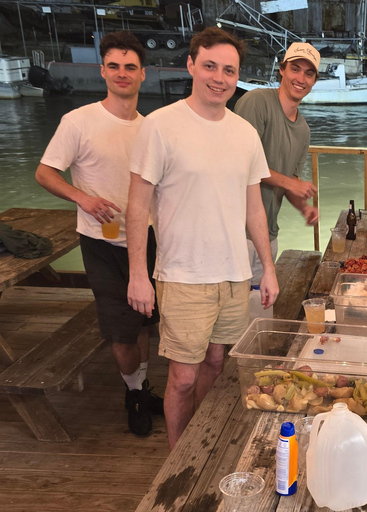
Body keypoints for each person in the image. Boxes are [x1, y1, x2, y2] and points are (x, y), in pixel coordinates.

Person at [126, 27, 279, 450]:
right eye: (210, 66)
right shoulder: (160, 126)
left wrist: (266, 268)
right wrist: (137, 273)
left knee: (216, 361)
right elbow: (137, 206)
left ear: (237, 76)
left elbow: (254, 209)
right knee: (183, 375)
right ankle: (178, 456)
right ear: (191, 64)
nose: (219, 77)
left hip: (233, 274)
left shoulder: (245, 133)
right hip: (182, 274)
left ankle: (199, 438)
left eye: (229, 70)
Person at [35, 31, 162, 437]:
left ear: (143, 74)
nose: (122, 74)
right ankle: (133, 393)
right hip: (102, 241)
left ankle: (142, 386)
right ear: (102, 71)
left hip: (149, 239)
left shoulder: (151, 128)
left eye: (130, 67)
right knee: (121, 330)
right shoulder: (79, 121)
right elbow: (44, 172)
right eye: (114, 66)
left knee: (144, 324)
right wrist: (82, 198)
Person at [234, 42, 320, 286]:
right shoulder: (256, 102)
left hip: (267, 233)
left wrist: (304, 208)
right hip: (236, 232)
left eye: (309, 73)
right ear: (282, 70)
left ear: (314, 81)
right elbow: (242, 163)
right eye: (295, 69)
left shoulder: (303, 129)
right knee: (231, 317)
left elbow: (290, 183)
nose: (301, 78)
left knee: (259, 313)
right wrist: (291, 184)